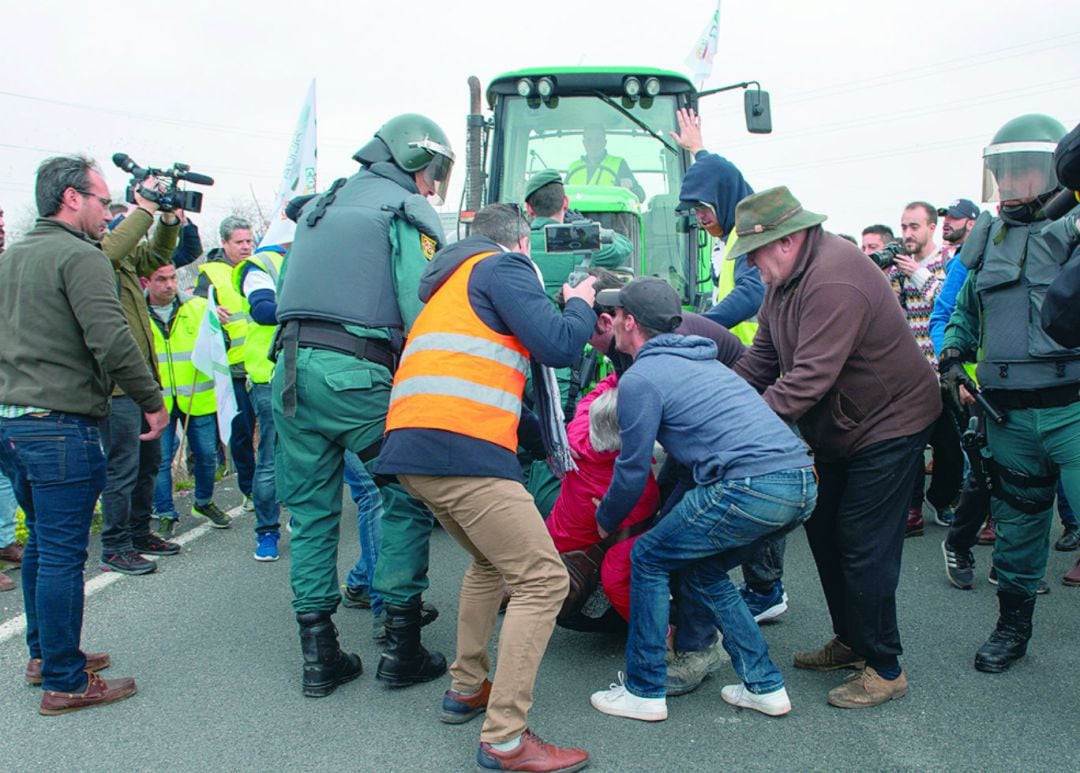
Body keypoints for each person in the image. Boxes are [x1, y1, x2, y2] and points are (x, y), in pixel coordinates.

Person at [375, 203, 594, 772]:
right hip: (462, 452)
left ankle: (467, 686)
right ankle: (505, 739)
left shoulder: (447, 286)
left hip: (417, 450)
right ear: (520, 243)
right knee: (543, 580)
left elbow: (481, 375)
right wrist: (581, 304)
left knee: (489, 565)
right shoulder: (502, 268)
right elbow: (559, 345)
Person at [732, 186, 940, 708]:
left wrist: (734, 431)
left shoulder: (834, 279)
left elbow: (805, 381)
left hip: (892, 420)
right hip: (844, 426)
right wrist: (714, 403)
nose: (750, 265)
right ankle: (853, 641)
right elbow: (761, 360)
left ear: (785, 240)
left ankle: (886, 666)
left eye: (754, 253)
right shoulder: (781, 282)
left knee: (861, 539)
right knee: (825, 529)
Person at [272, 113, 453, 698]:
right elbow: (419, 303)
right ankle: (401, 645)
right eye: (432, 171)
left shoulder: (321, 208)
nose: (431, 183)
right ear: (413, 160)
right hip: (359, 378)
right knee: (405, 493)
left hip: (291, 375)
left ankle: (319, 654)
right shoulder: (401, 212)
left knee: (312, 513)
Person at [587, 277, 816, 723]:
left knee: (649, 558)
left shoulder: (643, 377)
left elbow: (633, 470)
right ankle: (764, 685)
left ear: (630, 323)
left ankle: (645, 689)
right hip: (801, 483)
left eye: (615, 315)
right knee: (701, 570)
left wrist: (605, 519)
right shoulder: (707, 364)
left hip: (748, 485)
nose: (610, 321)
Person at [0, 154, 167, 714]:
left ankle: (47, 655)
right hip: (58, 424)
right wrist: (151, 400)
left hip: (12, 424)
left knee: (44, 545)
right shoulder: (80, 257)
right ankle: (66, 682)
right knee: (64, 554)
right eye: (100, 200)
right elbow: (112, 340)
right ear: (72, 198)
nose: (106, 212)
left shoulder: (13, 255)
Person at [939, 113, 1080, 670]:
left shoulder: (1073, 229)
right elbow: (965, 312)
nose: (1013, 185)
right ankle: (1012, 628)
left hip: (1072, 408)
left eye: (1024, 172)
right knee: (1018, 527)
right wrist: (952, 356)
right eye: (1006, 173)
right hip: (1009, 414)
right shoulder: (987, 237)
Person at [97, 180, 184, 574]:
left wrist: (168, 219)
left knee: (149, 462)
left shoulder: (128, 263)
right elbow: (112, 249)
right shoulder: (97, 257)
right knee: (123, 467)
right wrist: (143, 210)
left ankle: (138, 531)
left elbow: (161, 252)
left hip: (143, 382)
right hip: (115, 388)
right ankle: (115, 544)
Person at [546, 374, 659, 625]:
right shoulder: (631, 489)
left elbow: (600, 390)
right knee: (621, 573)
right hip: (576, 570)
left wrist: (624, 374)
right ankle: (655, 630)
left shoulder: (579, 428)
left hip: (552, 545)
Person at [887, 201, 963, 537]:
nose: (907, 234)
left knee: (949, 446)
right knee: (910, 445)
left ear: (932, 227)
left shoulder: (948, 260)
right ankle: (912, 509)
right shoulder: (897, 269)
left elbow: (952, 303)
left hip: (945, 369)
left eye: (914, 227)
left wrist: (917, 275)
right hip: (910, 376)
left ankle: (942, 499)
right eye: (903, 227)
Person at [670, 108, 764, 344]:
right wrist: (698, 151)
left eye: (704, 207)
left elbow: (752, 292)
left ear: (723, 199)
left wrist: (698, 325)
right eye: (695, 211)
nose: (700, 217)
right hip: (737, 356)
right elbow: (725, 179)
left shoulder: (749, 237)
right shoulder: (726, 237)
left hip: (756, 360)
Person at [145, 263, 223, 540]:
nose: (169, 284)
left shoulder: (197, 307)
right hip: (159, 400)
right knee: (161, 460)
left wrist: (218, 322)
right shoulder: (138, 314)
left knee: (206, 455)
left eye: (173, 278)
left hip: (197, 395)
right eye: (161, 279)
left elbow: (216, 339)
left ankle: (203, 502)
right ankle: (165, 513)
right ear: (147, 281)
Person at [194, 215, 256, 517]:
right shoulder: (210, 274)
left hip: (259, 364)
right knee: (242, 433)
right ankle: (250, 489)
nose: (246, 247)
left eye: (249, 241)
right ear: (224, 243)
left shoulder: (257, 267)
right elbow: (195, 309)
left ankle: (270, 487)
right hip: (232, 369)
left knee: (272, 433)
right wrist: (209, 311)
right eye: (239, 242)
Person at [234, 243, 285, 560]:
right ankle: (267, 532)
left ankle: (300, 519)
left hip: (304, 370)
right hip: (269, 375)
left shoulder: (312, 253)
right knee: (269, 458)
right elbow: (263, 311)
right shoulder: (261, 263)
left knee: (306, 457)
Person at [524, 168, 632, 299]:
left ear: (529, 208)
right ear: (565, 203)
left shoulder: (515, 243)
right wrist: (588, 227)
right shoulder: (582, 241)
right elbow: (624, 247)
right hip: (573, 316)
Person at [566, 124, 645, 201]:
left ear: (604, 142)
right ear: (584, 143)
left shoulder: (619, 164)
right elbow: (561, 196)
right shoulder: (573, 167)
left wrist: (630, 188)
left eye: (598, 139)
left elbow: (641, 196)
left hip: (609, 213)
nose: (593, 144)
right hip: (577, 213)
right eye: (589, 140)